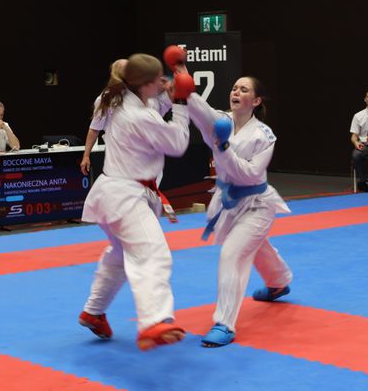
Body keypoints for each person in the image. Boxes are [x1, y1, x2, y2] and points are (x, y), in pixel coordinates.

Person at [78, 53, 193, 351]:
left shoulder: (125, 100)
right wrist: (181, 103)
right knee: (153, 253)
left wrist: (172, 91)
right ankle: (154, 320)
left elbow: (156, 109)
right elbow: (177, 143)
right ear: (145, 83)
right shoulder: (137, 114)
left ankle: (94, 311)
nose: (162, 82)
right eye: (158, 79)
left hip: (116, 194)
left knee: (120, 255)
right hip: (125, 197)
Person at [175, 63, 293, 347]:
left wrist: (224, 148)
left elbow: (250, 174)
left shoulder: (263, 135)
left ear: (257, 100)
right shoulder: (222, 121)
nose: (236, 92)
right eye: (234, 88)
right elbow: (202, 112)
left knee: (232, 254)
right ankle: (279, 282)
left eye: (244, 89)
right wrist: (184, 81)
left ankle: (224, 323)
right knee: (256, 246)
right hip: (228, 202)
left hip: (257, 204)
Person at [80, 59, 174, 178]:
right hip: (119, 158)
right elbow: (94, 129)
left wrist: (178, 67)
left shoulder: (147, 94)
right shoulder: (106, 98)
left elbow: (177, 91)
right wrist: (86, 156)